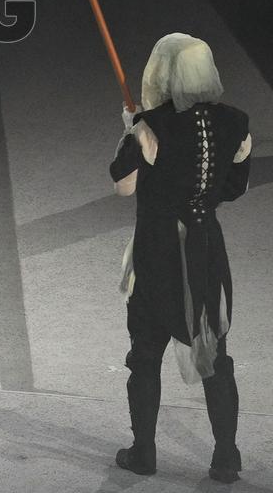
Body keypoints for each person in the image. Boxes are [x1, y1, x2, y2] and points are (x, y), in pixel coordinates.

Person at [110, 33, 251, 483]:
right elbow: (234, 188)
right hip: (206, 247)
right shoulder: (237, 122)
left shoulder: (151, 127)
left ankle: (144, 452)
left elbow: (124, 187)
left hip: (158, 253)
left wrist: (132, 134)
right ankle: (226, 457)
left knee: (145, 353)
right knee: (214, 355)